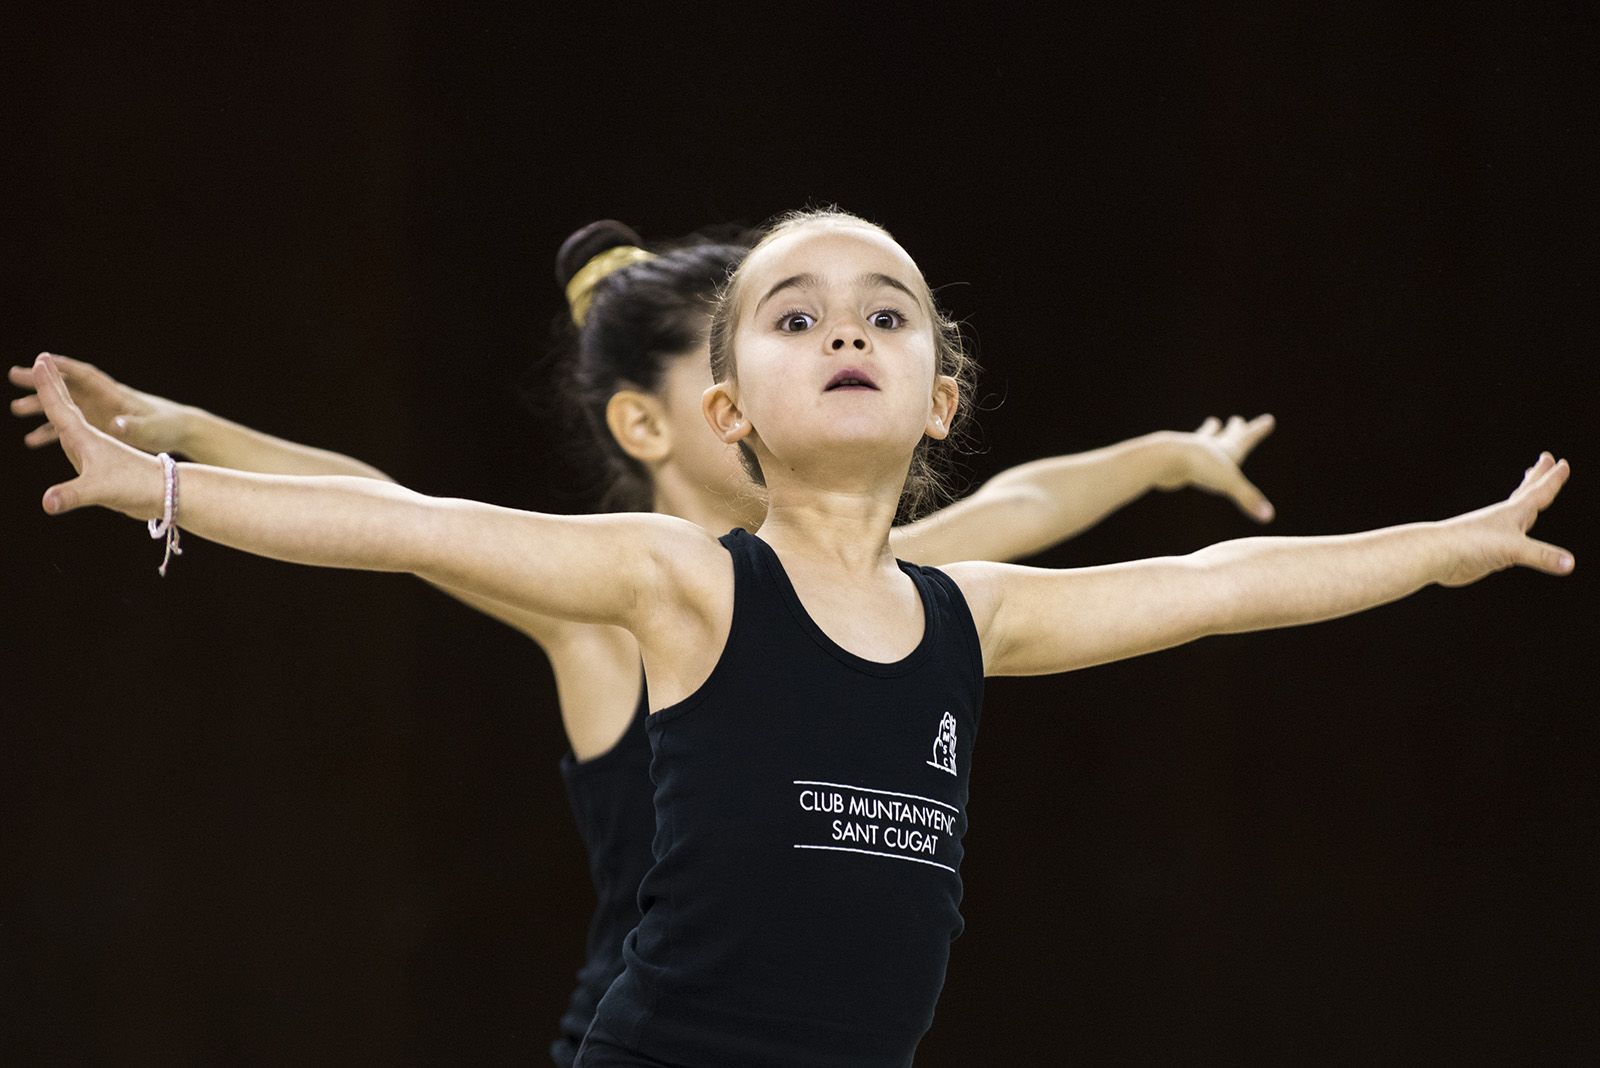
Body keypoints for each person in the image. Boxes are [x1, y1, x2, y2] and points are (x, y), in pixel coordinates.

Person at [22, 208, 1571, 1066]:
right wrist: (166, 469)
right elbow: (397, 516)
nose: (848, 330)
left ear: (939, 397)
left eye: (889, 313)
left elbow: (1231, 584)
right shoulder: (667, 584)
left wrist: (1439, 545)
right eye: (795, 316)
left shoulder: (961, 606)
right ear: (716, 410)